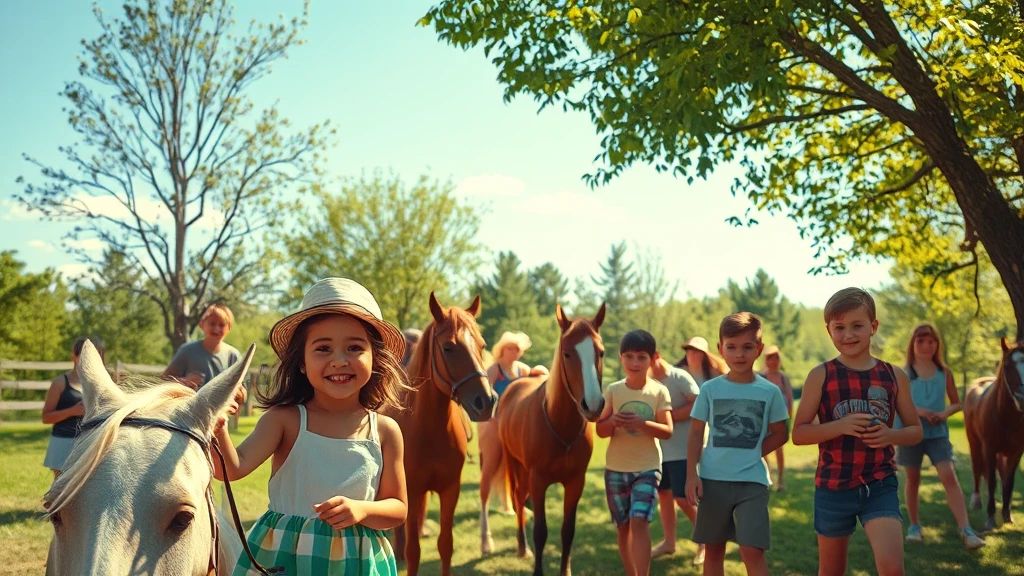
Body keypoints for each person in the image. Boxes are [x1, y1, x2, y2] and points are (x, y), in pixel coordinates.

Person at [213, 277, 410, 575]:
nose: (339, 360)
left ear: (375, 358)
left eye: (354, 347)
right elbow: (231, 469)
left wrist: (363, 510)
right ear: (302, 362)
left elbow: (398, 507)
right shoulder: (285, 420)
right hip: (286, 558)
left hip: (356, 564)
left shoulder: (385, 431)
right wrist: (218, 426)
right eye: (323, 348)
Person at [792, 288, 923, 576]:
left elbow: (915, 431)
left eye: (857, 326)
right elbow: (799, 434)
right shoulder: (821, 375)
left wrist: (890, 436)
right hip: (833, 486)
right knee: (831, 571)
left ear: (873, 326)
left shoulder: (894, 375)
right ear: (829, 330)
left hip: (879, 483)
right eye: (839, 327)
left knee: (892, 569)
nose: (848, 334)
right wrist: (839, 426)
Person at [685, 313, 789, 576]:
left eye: (747, 347)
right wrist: (691, 475)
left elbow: (781, 433)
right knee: (714, 551)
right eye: (731, 347)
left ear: (759, 349)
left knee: (752, 551)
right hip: (712, 481)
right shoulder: (710, 389)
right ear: (720, 349)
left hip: (752, 482)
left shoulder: (770, 392)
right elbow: (695, 433)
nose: (739, 354)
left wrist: (754, 452)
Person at [897, 323, 985, 549]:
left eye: (931, 341)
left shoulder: (944, 373)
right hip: (911, 433)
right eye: (921, 341)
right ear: (912, 344)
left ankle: (966, 530)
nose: (926, 346)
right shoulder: (903, 374)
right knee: (913, 479)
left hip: (937, 434)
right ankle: (914, 527)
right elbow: (898, 404)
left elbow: (956, 403)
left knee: (949, 475)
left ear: (937, 345)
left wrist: (943, 414)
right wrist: (920, 412)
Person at [596, 330, 673, 576]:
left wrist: (642, 424)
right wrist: (612, 422)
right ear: (621, 358)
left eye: (641, 357)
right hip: (616, 469)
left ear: (653, 358)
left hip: (648, 467)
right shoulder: (613, 391)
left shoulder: (659, 391)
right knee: (623, 527)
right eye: (629, 356)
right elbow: (600, 430)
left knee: (640, 522)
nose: (635, 363)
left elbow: (667, 431)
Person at [648, 346, 705, 565]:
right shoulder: (650, 382)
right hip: (660, 451)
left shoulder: (678, 376)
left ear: (657, 356)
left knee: (683, 497)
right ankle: (669, 543)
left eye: (646, 358)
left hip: (683, 449)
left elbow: (698, 402)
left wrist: (669, 418)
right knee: (664, 495)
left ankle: (706, 540)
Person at [479, 331, 532, 514]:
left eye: (517, 349)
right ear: (502, 349)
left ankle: (516, 504)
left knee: (520, 466)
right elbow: (484, 396)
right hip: (494, 424)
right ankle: (484, 505)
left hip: (517, 427)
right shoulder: (494, 370)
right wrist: (492, 418)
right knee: (491, 465)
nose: (514, 352)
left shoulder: (523, 370)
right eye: (510, 348)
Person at [42, 338, 104, 477]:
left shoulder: (99, 384)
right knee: (61, 488)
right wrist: (72, 411)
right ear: (74, 357)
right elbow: (46, 417)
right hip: (63, 443)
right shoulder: (60, 382)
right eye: (85, 355)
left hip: (89, 443)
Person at [163, 303, 240, 389]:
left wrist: (238, 392)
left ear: (229, 327)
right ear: (201, 325)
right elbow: (163, 381)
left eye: (222, 325)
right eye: (212, 324)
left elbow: (242, 391)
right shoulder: (188, 351)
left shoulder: (233, 355)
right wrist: (184, 382)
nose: (216, 329)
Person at [759, 345, 794, 491]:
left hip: (779, 419)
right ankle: (768, 476)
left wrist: (789, 417)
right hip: (764, 419)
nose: (773, 362)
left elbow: (790, 399)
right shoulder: (761, 377)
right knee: (763, 448)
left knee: (779, 449)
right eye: (770, 359)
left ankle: (781, 480)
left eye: (776, 359)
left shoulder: (783, 378)